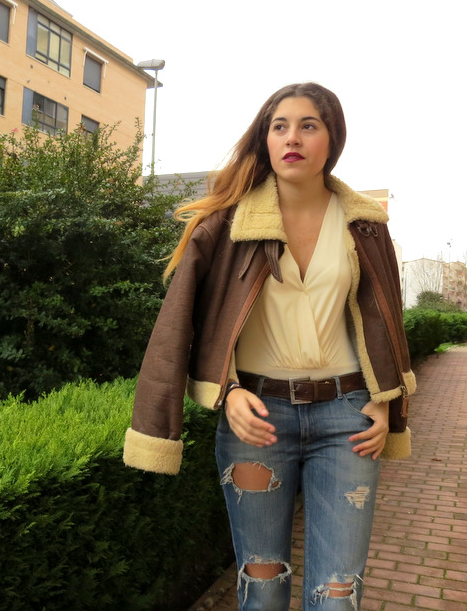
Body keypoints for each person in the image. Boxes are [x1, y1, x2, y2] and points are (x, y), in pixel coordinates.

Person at [123, 82, 415, 611]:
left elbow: (385, 320)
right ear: (266, 139)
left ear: (332, 139)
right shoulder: (228, 223)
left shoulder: (365, 226)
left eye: (308, 126)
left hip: (348, 421)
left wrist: (384, 401)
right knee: (261, 590)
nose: (292, 138)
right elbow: (188, 319)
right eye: (280, 126)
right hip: (257, 420)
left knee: (338, 595)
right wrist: (229, 391)